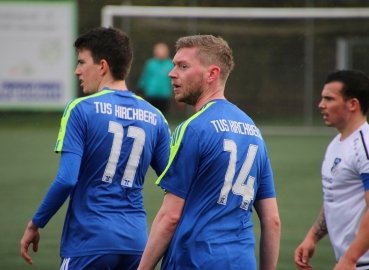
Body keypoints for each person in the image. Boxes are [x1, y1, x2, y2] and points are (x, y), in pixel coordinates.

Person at [20, 27, 171, 270]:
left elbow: (67, 179)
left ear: (102, 66)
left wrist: (34, 224)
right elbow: (175, 183)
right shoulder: (155, 117)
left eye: (81, 62)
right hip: (137, 245)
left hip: (90, 242)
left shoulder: (80, 109)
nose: (76, 71)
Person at [137, 35, 281, 270]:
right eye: (174, 65)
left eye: (183, 66)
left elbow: (170, 217)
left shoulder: (193, 129)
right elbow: (272, 221)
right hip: (242, 262)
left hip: (196, 261)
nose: (172, 73)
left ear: (211, 74)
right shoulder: (254, 131)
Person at [294, 70, 369, 270]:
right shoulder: (336, 143)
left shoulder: (365, 146)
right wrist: (312, 237)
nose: (321, 105)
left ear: (353, 104)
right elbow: (334, 198)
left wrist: (350, 259)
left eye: (329, 98)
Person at [137, 42, 174, 116]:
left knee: (163, 117)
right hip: (151, 95)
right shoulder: (150, 64)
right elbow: (144, 78)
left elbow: (173, 80)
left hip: (164, 96)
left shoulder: (170, 64)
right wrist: (140, 90)